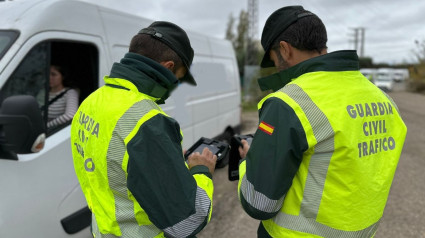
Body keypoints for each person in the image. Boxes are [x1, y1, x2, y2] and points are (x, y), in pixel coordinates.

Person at [237, 6, 407, 238]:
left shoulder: (288, 102)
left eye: (274, 59)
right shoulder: (383, 99)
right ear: (322, 45)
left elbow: (259, 203)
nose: (277, 66)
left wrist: (248, 162)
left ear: (284, 50)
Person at [70, 21, 217, 238]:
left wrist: (167, 161)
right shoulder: (147, 122)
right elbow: (188, 221)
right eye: (179, 77)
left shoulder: (91, 102)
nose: (177, 84)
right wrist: (201, 171)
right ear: (168, 67)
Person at [45, 65, 79, 129]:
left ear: (63, 77)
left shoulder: (70, 93)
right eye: (47, 74)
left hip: (54, 133)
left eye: (53, 74)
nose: (49, 77)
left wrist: (47, 126)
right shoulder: (42, 92)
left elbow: (70, 116)